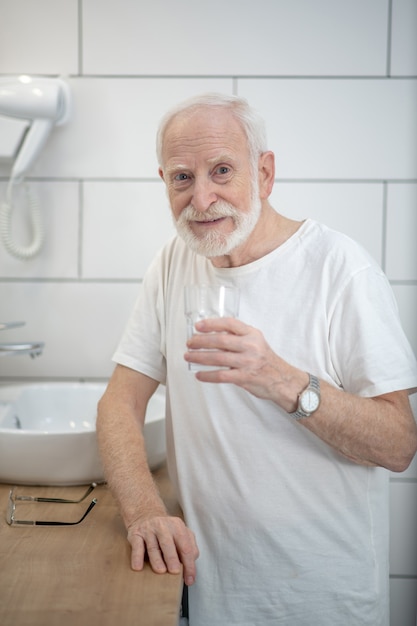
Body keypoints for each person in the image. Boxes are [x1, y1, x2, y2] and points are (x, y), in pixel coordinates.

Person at [96, 92, 417, 626]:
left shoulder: (342, 270)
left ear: (265, 174)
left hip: (323, 602)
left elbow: (400, 443)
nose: (201, 199)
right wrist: (145, 512)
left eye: (222, 171)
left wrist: (282, 380)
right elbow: (119, 403)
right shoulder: (175, 261)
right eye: (182, 178)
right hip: (208, 594)